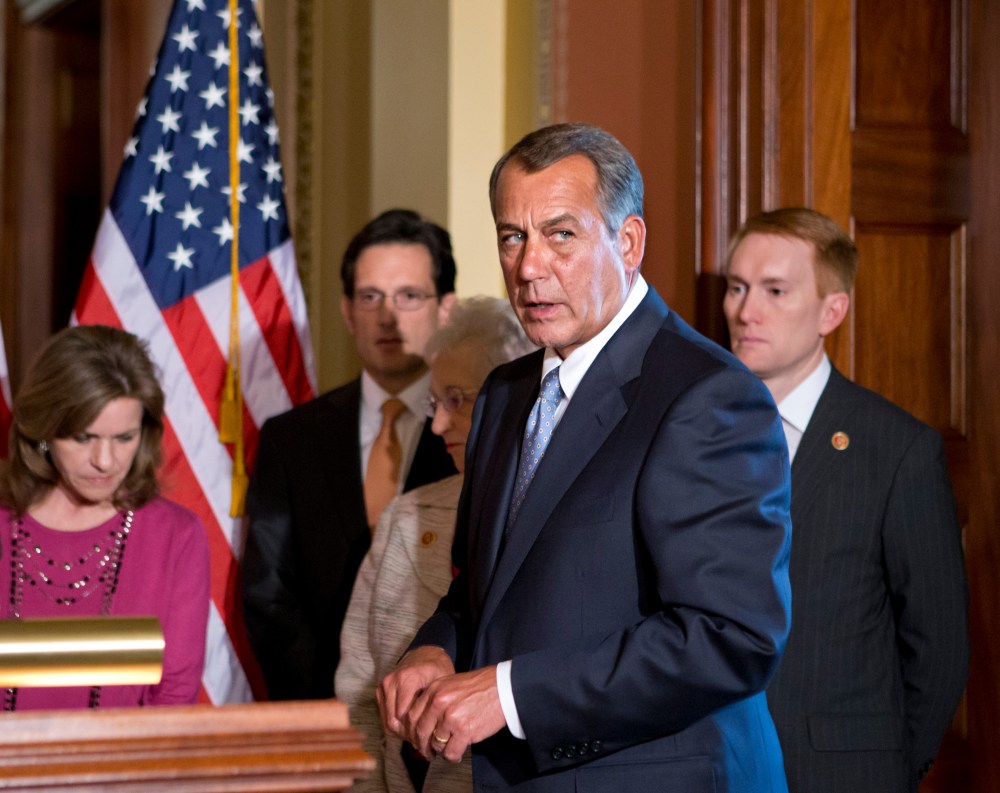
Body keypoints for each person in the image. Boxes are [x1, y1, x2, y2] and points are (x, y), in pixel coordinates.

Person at [377, 123, 793, 792]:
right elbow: (490, 586)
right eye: (513, 237)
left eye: (560, 234)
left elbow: (730, 635)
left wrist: (509, 694)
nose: (530, 266)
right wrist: (436, 647)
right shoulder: (507, 394)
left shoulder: (708, 395)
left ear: (627, 242)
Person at [723, 207, 969, 792]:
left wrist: (888, 770)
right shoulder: (693, 434)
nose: (744, 310)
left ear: (832, 310)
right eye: (738, 286)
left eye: (774, 290)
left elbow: (938, 648)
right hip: (710, 765)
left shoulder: (897, 450)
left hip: (842, 773)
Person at [243, 208, 459, 701]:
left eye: (409, 296)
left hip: (441, 711)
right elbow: (268, 595)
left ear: (445, 308)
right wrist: (342, 700)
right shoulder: (290, 438)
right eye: (370, 297)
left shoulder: (480, 432)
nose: (388, 315)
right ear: (346, 311)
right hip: (319, 713)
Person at [337, 296, 536, 793]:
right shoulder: (407, 517)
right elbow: (357, 699)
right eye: (434, 403)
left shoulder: (558, 520)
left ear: (512, 397)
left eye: (455, 400)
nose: (438, 424)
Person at [0, 324, 209, 710]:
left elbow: (174, 700)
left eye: (124, 438)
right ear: (44, 433)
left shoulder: (176, 535)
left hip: (127, 767)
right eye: (84, 438)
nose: (105, 462)